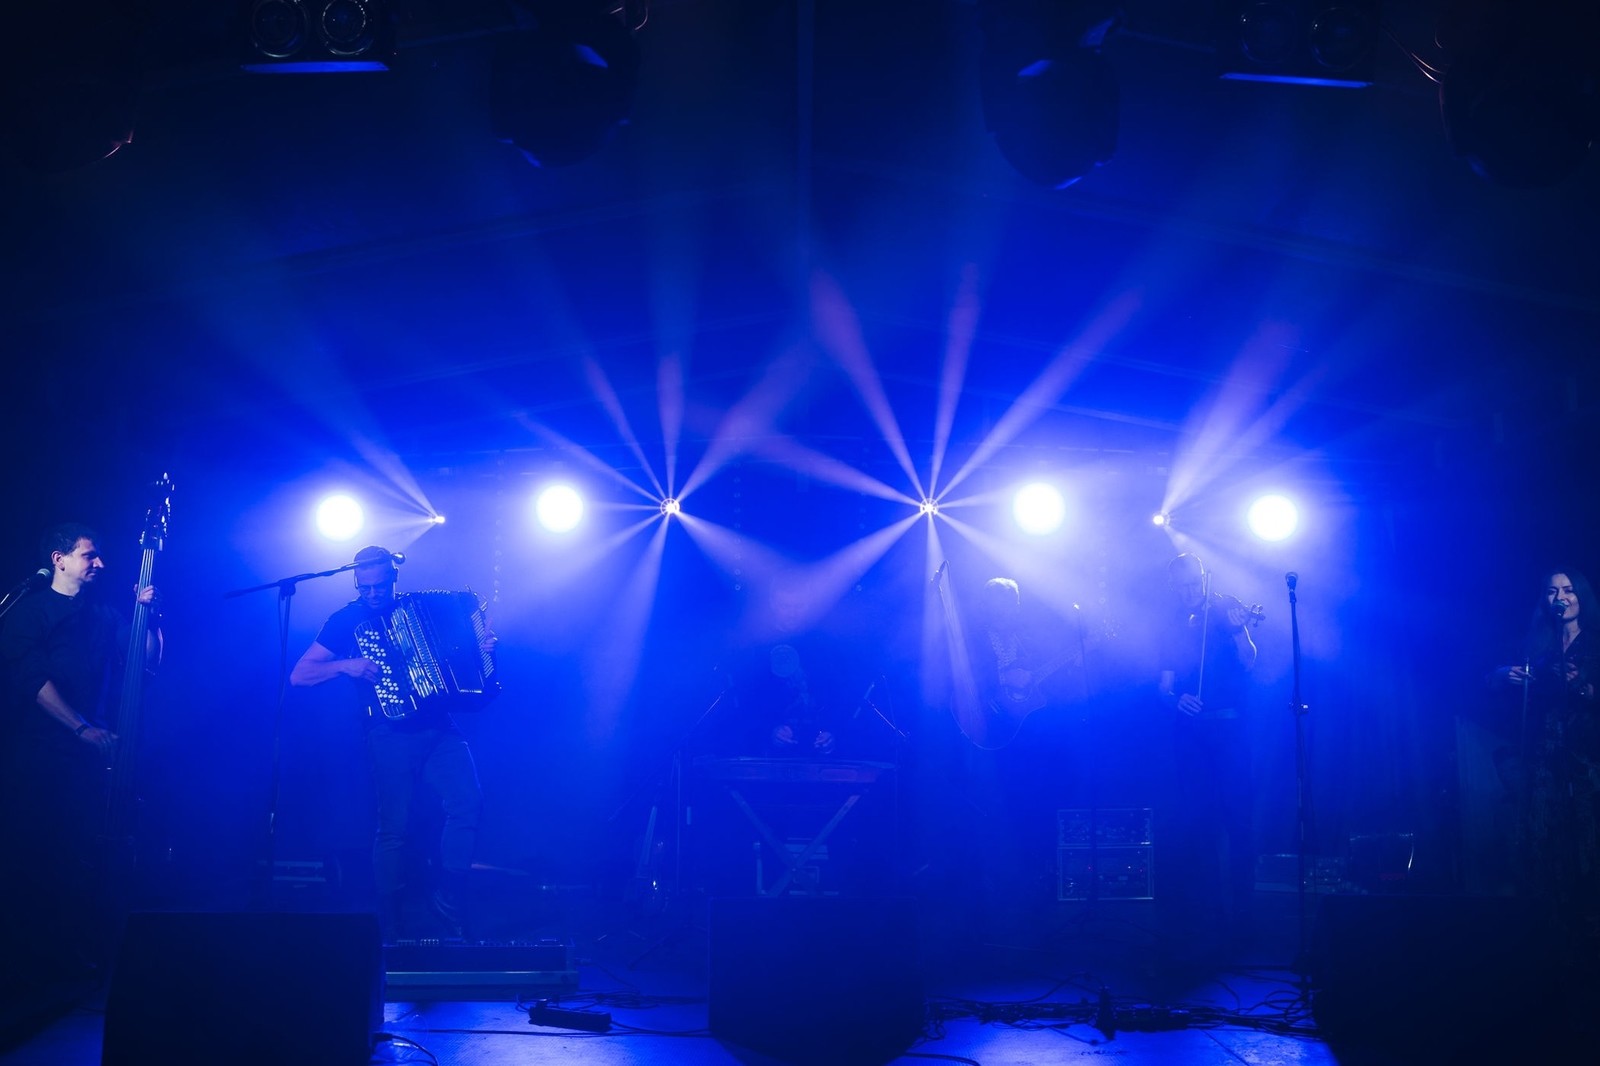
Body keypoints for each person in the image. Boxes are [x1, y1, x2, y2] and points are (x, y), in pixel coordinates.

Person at [290, 545, 487, 939]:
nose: (373, 594)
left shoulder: (418, 605)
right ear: (355, 582)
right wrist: (346, 665)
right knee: (394, 826)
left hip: (438, 726)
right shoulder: (346, 620)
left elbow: (462, 647)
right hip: (388, 731)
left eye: (379, 586)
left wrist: (482, 648)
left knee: (468, 801)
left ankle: (449, 896)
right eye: (364, 588)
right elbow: (300, 674)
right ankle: (390, 924)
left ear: (393, 578)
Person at [0, 523, 162, 991]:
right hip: (37, 755)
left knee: (78, 858)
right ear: (59, 559)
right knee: (34, 856)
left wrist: (148, 616)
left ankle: (73, 958)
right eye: (90, 556)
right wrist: (80, 727)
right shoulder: (29, 611)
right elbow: (32, 681)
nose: (100, 564)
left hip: (89, 758)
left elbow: (146, 661)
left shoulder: (103, 614)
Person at [1489, 568, 1600, 952]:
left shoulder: (1595, 642)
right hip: (1542, 761)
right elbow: (1497, 678)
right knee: (1543, 843)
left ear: (1581, 595)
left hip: (1586, 761)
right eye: (1553, 591)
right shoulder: (1540, 644)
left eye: (1568, 590)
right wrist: (1503, 675)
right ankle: (1551, 937)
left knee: (1586, 844)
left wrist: (1586, 690)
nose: (1561, 597)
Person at [1156, 552, 1259, 959]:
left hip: (1229, 732)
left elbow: (1249, 661)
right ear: (1171, 586)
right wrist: (1175, 700)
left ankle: (1245, 917)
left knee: (1239, 821)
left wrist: (1239, 629)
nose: (1189, 592)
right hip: (1190, 737)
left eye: (1193, 583)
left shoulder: (1225, 608)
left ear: (1203, 576)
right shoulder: (1171, 623)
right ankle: (1209, 917)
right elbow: (1162, 688)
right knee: (1199, 822)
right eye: (1180, 586)